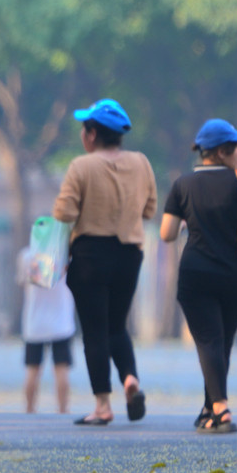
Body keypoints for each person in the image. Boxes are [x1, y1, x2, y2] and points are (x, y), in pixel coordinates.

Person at [159, 119, 237, 434]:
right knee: (221, 342)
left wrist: (190, 219)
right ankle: (212, 409)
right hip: (236, 275)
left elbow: (167, 233)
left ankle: (218, 407)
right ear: (222, 152)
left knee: (209, 341)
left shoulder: (183, 185)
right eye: (236, 147)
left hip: (196, 274)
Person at [53, 99, 158, 426]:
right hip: (129, 254)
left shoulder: (81, 166)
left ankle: (102, 405)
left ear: (92, 134)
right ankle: (130, 378)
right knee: (117, 325)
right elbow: (150, 210)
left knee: (95, 331)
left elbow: (64, 212)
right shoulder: (141, 163)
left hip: (90, 256)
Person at [17, 247, 75, 414]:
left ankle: (29, 409)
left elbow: (22, 282)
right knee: (61, 368)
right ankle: (63, 409)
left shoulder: (26, 256)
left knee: (32, 369)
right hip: (61, 322)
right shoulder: (65, 255)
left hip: (35, 322)